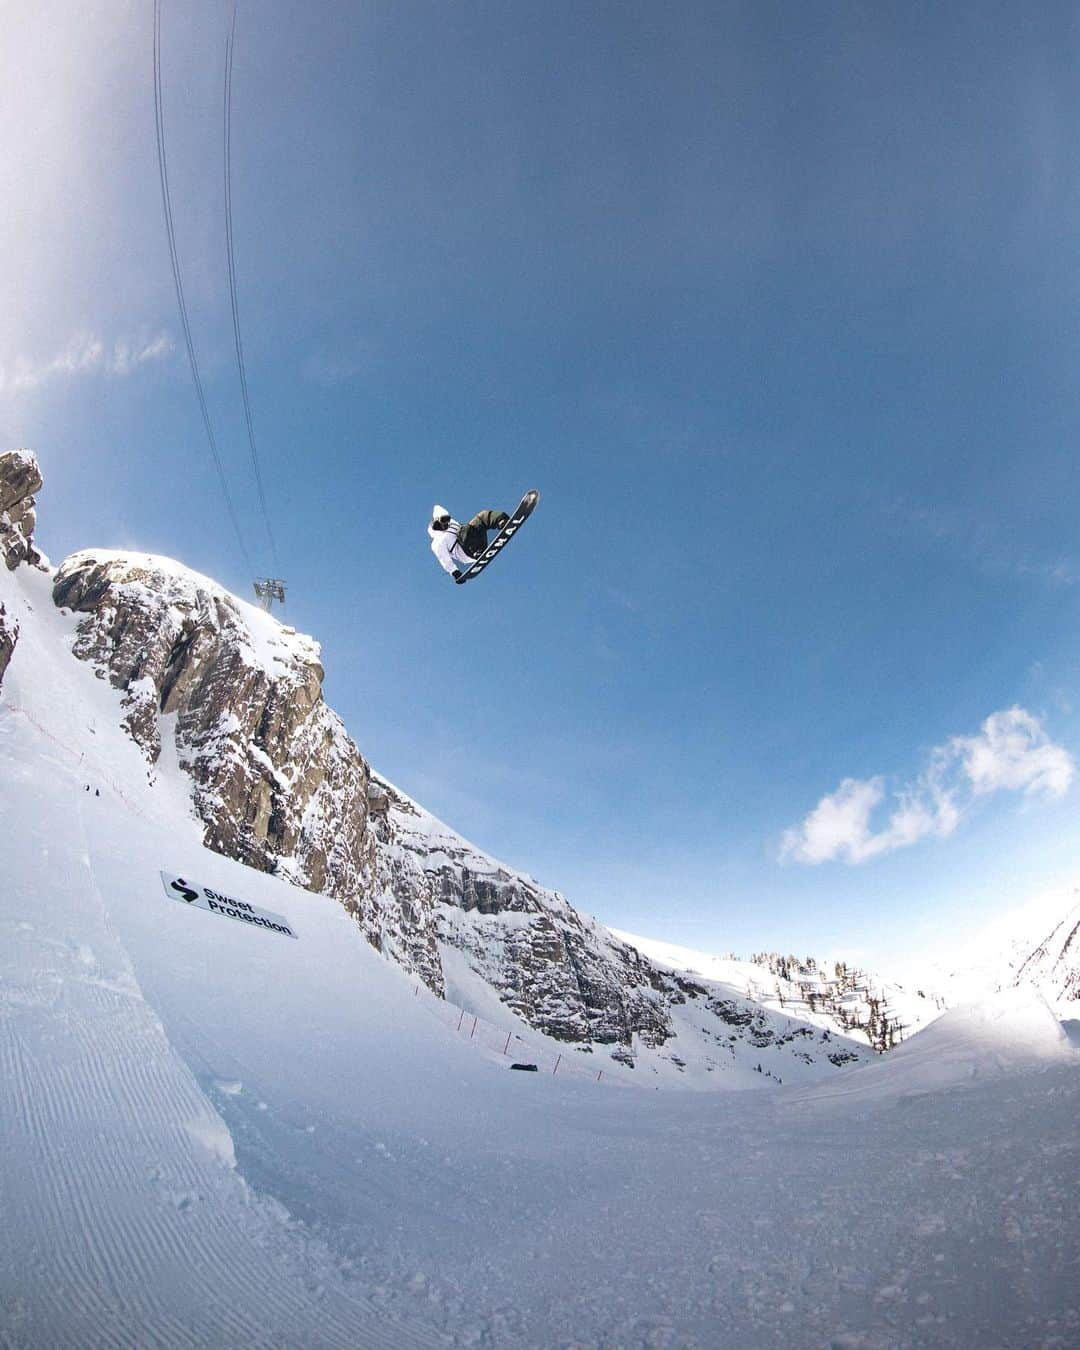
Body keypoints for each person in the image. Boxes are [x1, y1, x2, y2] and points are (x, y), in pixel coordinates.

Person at [428, 503, 510, 579]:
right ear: (436, 521)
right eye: (444, 520)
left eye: (448, 519)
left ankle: (502, 521)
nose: (447, 523)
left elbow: (470, 529)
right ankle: (476, 551)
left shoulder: (451, 523)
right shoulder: (437, 542)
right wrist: (455, 572)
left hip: (476, 544)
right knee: (465, 530)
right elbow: (444, 559)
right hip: (466, 552)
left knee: (482, 517)